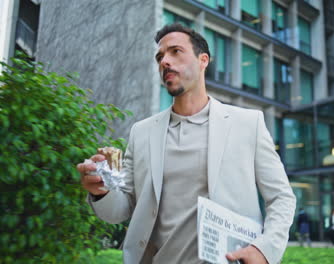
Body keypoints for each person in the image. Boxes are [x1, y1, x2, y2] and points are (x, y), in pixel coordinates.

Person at [76, 23, 296, 264]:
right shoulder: (142, 133)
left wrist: (264, 249)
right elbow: (121, 209)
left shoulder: (248, 124)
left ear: (203, 60)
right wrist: (102, 191)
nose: (164, 62)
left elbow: (281, 197)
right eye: (160, 56)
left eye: (175, 52)